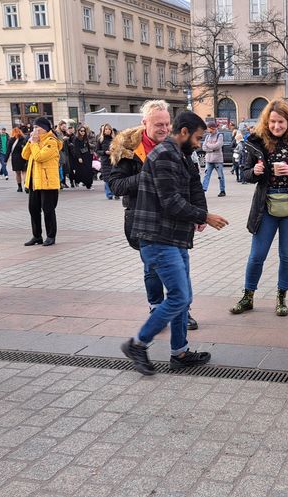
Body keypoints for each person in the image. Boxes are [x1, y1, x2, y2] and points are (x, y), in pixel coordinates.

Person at [121, 111, 228, 375]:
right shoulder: (165, 155)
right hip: (157, 238)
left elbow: (193, 189)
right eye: (198, 138)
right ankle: (138, 344)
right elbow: (170, 201)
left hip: (174, 237)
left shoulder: (180, 154)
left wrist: (200, 212)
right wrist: (204, 216)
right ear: (183, 133)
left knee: (183, 297)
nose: (200, 143)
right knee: (179, 296)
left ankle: (179, 353)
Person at [109, 100, 199, 330]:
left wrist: (199, 213)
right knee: (152, 268)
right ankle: (156, 306)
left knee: (180, 265)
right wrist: (149, 175)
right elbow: (116, 185)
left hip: (175, 219)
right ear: (144, 123)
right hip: (142, 218)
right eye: (158, 124)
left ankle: (182, 310)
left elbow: (193, 182)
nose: (164, 128)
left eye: (167, 123)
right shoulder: (128, 149)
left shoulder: (178, 146)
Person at [230, 99, 288, 317]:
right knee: (257, 255)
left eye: (281, 122)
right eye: (272, 122)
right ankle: (248, 296)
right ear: (266, 122)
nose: (276, 126)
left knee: (287, 256)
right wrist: (255, 172)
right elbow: (245, 172)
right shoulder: (257, 142)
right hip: (265, 206)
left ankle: (281, 298)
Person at [22, 117, 62, 247]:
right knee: (33, 209)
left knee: (48, 210)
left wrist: (34, 143)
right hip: (34, 181)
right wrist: (31, 142)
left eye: (37, 127)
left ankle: (51, 236)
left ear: (45, 128)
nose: (34, 130)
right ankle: (37, 236)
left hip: (47, 182)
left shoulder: (51, 142)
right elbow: (25, 155)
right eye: (33, 127)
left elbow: (40, 157)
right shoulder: (35, 141)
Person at [201, 121, 226, 197]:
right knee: (206, 175)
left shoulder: (219, 136)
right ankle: (203, 190)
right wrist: (211, 149)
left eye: (209, 129)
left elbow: (218, 146)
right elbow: (204, 147)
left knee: (220, 176)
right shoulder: (207, 136)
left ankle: (222, 190)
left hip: (217, 160)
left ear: (213, 128)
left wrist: (209, 146)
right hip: (209, 160)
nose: (208, 131)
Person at [96, 123, 116, 200]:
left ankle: (115, 192)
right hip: (105, 161)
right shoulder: (100, 139)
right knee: (107, 178)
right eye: (106, 129)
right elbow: (97, 150)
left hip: (113, 161)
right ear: (103, 130)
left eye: (109, 129)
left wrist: (114, 151)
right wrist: (105, 152)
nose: (107, 130)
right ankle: (109, 194)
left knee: (114, 177)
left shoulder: (114, 139)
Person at [72, 125, 94, 189]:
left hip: (87, 155)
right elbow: (76, 149)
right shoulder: (76, 139)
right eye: (81, 131)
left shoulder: (85, 138)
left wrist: (91, 153)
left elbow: (88, 147)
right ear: (78, 131)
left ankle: (88, 184)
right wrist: (79, 157)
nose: (83, 132)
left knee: (88, 170)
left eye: (84, 131)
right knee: (81, 171)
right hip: (81, 156)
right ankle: (78, 181)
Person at [7, 127, 28, 192]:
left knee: (17, 173)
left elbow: (8, 151)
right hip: (23, 157)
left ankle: (19, 187)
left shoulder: (11, 140)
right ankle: (26, 186)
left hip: (15, 158)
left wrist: (5, 160)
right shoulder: (24, 139)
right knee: (24, 172)